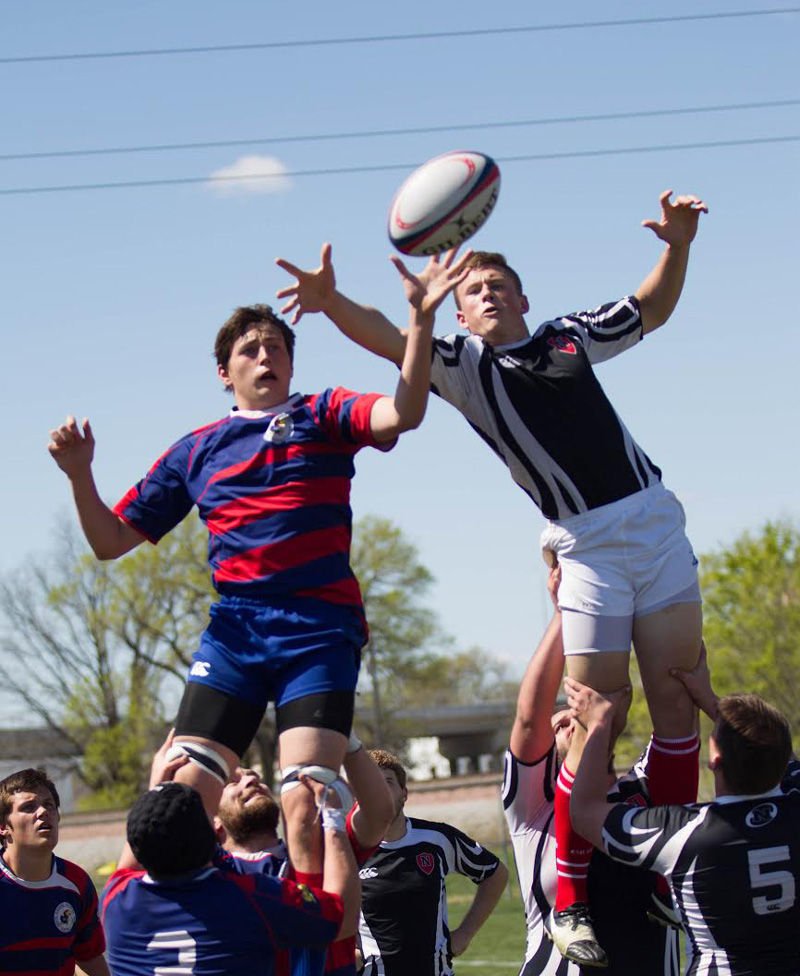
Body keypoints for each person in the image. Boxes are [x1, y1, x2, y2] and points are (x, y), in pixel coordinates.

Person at [276, 189, 708, 961]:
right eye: (474, 289)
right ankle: (569, 892)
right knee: (598, 711)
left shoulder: (571, 337)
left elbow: (652, 307)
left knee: (679, 703)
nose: (488, 294)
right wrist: (331, 298)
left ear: (524, 298)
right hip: (587, 547)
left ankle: (660, 872)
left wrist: (676, 244)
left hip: (655, 521)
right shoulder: (462, 364)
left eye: (499, 284)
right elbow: (385, 338)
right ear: (462, 314)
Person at [48, 247, 473, 852]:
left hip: (318, 630)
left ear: (292, 366)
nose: (265, 355)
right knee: (179, 797)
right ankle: (176, 936)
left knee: (305, 804)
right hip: (236, 635)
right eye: (250, 349)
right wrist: (79, 475)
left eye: (276, 347)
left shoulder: (325, 414)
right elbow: (110, 542)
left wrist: (422, 320)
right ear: (224, 372)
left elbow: (404, 413)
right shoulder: (196, 451)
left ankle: (324, 947)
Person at [503, 565, 681, 974]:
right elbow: (530, 721)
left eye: (575, 713)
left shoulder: (644, 791)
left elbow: (674, 726)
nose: (568, 719)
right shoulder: (534, 808)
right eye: (560, 721)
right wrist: (566, 614)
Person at [568, 679, 800, 976]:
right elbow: (782, 756)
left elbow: (584, 811)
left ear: (715, 760)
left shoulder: (685, 834)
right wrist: (716, 705)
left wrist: (598, 724)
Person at [101, 771, 359, 976]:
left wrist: (157, 798)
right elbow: (341, 914)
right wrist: (333, 818)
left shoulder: (116, 901)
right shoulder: (251, 898)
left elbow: (129, 862)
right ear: (213, 832)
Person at [356, 749, 508, 976]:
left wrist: (464, 935)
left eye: (388, 781)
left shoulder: (435, 839)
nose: (380, 790)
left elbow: (495, 874)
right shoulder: (348, 848)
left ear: (404, 793)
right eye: (372, 784)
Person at [0, 767, 109, 976]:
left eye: (49, 805)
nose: (43, 812)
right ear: (3, 826)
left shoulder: (76, 883)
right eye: (29, 807)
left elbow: (90, 957)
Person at [214, 766, 288, 875]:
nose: (252, 779)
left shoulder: (315, 858)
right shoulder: (207, 878)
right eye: (234, 782)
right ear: (214, 819)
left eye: (258, 778)